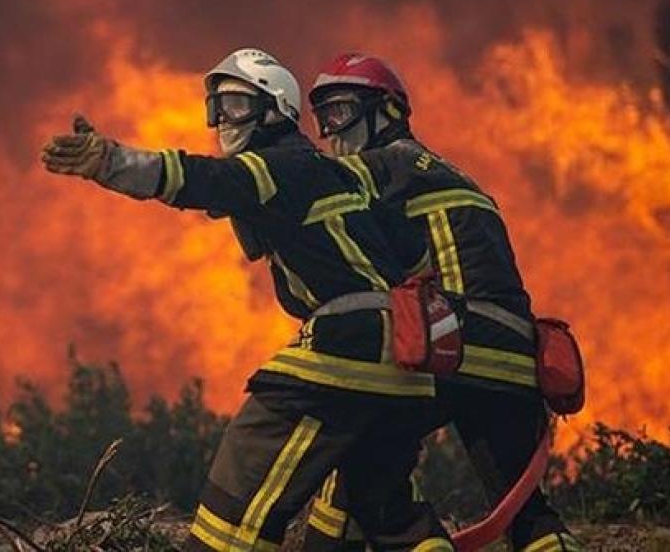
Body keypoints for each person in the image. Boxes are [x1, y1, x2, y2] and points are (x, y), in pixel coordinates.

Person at [42, 48, 452, 552]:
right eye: (215, 107)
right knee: (389, 515)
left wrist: (112, 162)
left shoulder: (275, 164)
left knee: (239, 489)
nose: (221, 121)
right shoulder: (337, 173)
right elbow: (414, 259)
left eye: (236, 105)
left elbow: (202, 179)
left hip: (349, 351)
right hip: (406, 369)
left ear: (275, 110)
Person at [302, 52, 580, 552]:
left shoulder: (383, 165)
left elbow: (314, 193)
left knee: (371, 475)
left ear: (386, 111)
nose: (331, 131)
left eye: (341, 112)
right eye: (322, 118)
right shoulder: (457, 175)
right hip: (514, 358)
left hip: (451, 347)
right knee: (527, 515)